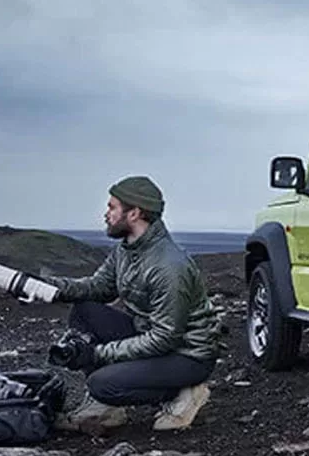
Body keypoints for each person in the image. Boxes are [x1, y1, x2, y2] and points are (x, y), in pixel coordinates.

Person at [43, 175, 223, 433]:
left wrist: (96, 354)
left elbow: (164, 338)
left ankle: (182, 393)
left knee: (102, 384)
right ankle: (107, 409)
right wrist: (47, 287)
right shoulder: (127, 249)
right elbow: (98, 288)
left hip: (186, 355)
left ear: (135, 213)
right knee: (85, 309)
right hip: (152, 337)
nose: (106, 214)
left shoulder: (168, 267)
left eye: (112, 207)